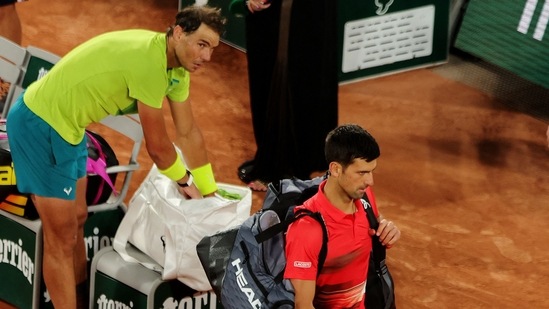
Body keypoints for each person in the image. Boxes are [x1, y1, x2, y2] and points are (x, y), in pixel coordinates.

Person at [6, 6, 226, 308]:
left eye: (212, 48)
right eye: (202, 44)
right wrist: (187, 182)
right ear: (178, 33)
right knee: (61, 238)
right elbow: (159, 148)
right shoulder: (149, 62)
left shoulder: (177, 71)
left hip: (70, 128)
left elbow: (188, 133)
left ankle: (81, 299)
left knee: (79, 219)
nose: (207, 57)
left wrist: (210, 192)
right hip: (40, 125)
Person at [284, 124, 401, 308]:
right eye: (362, 173)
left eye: (371, 171)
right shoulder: (307, 230)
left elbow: (375, 224)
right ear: (336, 169)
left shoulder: (364, 196)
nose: (370, 181)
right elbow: (303, 305)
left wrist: (387, 230)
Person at [236, 0, 338, 191]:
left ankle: (288, 167)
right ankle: (282, 161)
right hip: (269, 12)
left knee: (301, 72)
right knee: (268, 73)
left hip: (300, 11)